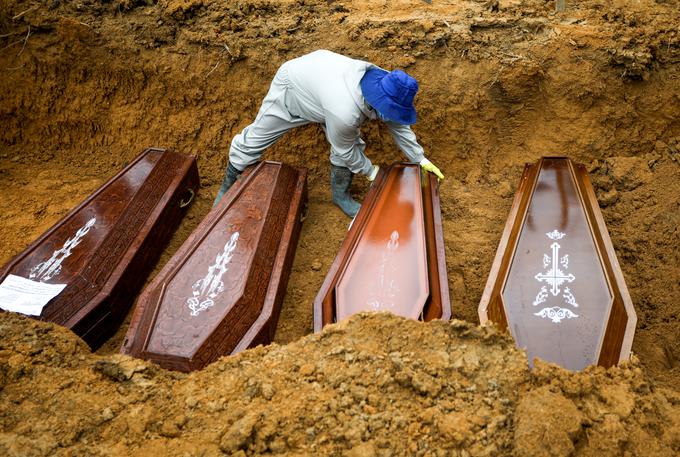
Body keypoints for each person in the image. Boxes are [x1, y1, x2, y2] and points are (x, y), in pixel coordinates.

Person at [214, 49, 444, 217]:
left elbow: (397, 122)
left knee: (346, 138)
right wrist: (372, 172)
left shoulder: (386, 82)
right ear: (378, 104)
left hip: (325, 84)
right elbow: (345, 149)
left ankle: (340, 196)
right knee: (256, 138)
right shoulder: (345, 112)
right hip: (294, 86)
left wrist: (419, 158)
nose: (391, 115)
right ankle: (227, 186)